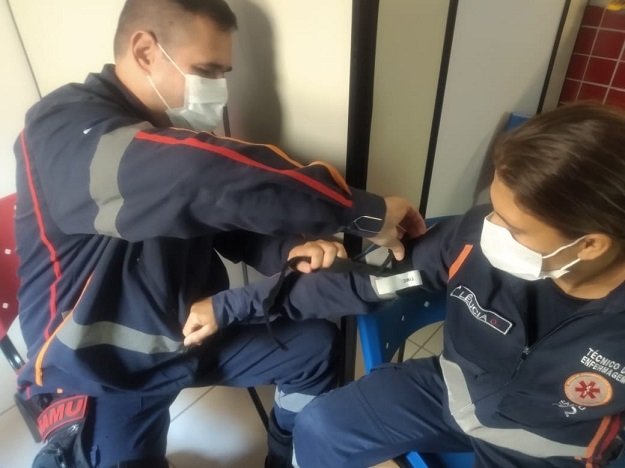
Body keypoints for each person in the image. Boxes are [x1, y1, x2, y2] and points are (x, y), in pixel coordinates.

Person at [14, 1, 424, 467]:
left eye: (223, 74)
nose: (218, 91)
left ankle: (286, 455)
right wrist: (362, 212)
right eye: (206, 71)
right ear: (145, 51)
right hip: (102, 369)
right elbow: (199, 180)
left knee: (315, 351)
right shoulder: (60, 129)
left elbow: (219, 220)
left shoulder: (160, 131)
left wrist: (289, 249)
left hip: (187, 331)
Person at [193, 102, 625, 467]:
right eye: (492, 208)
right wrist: (232, 306)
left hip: (551, 446)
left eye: (513, 227)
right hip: (452, 390)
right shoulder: (471, 240)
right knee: (322, 426)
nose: (488, 228)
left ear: (590, 245)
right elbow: (364, 282)